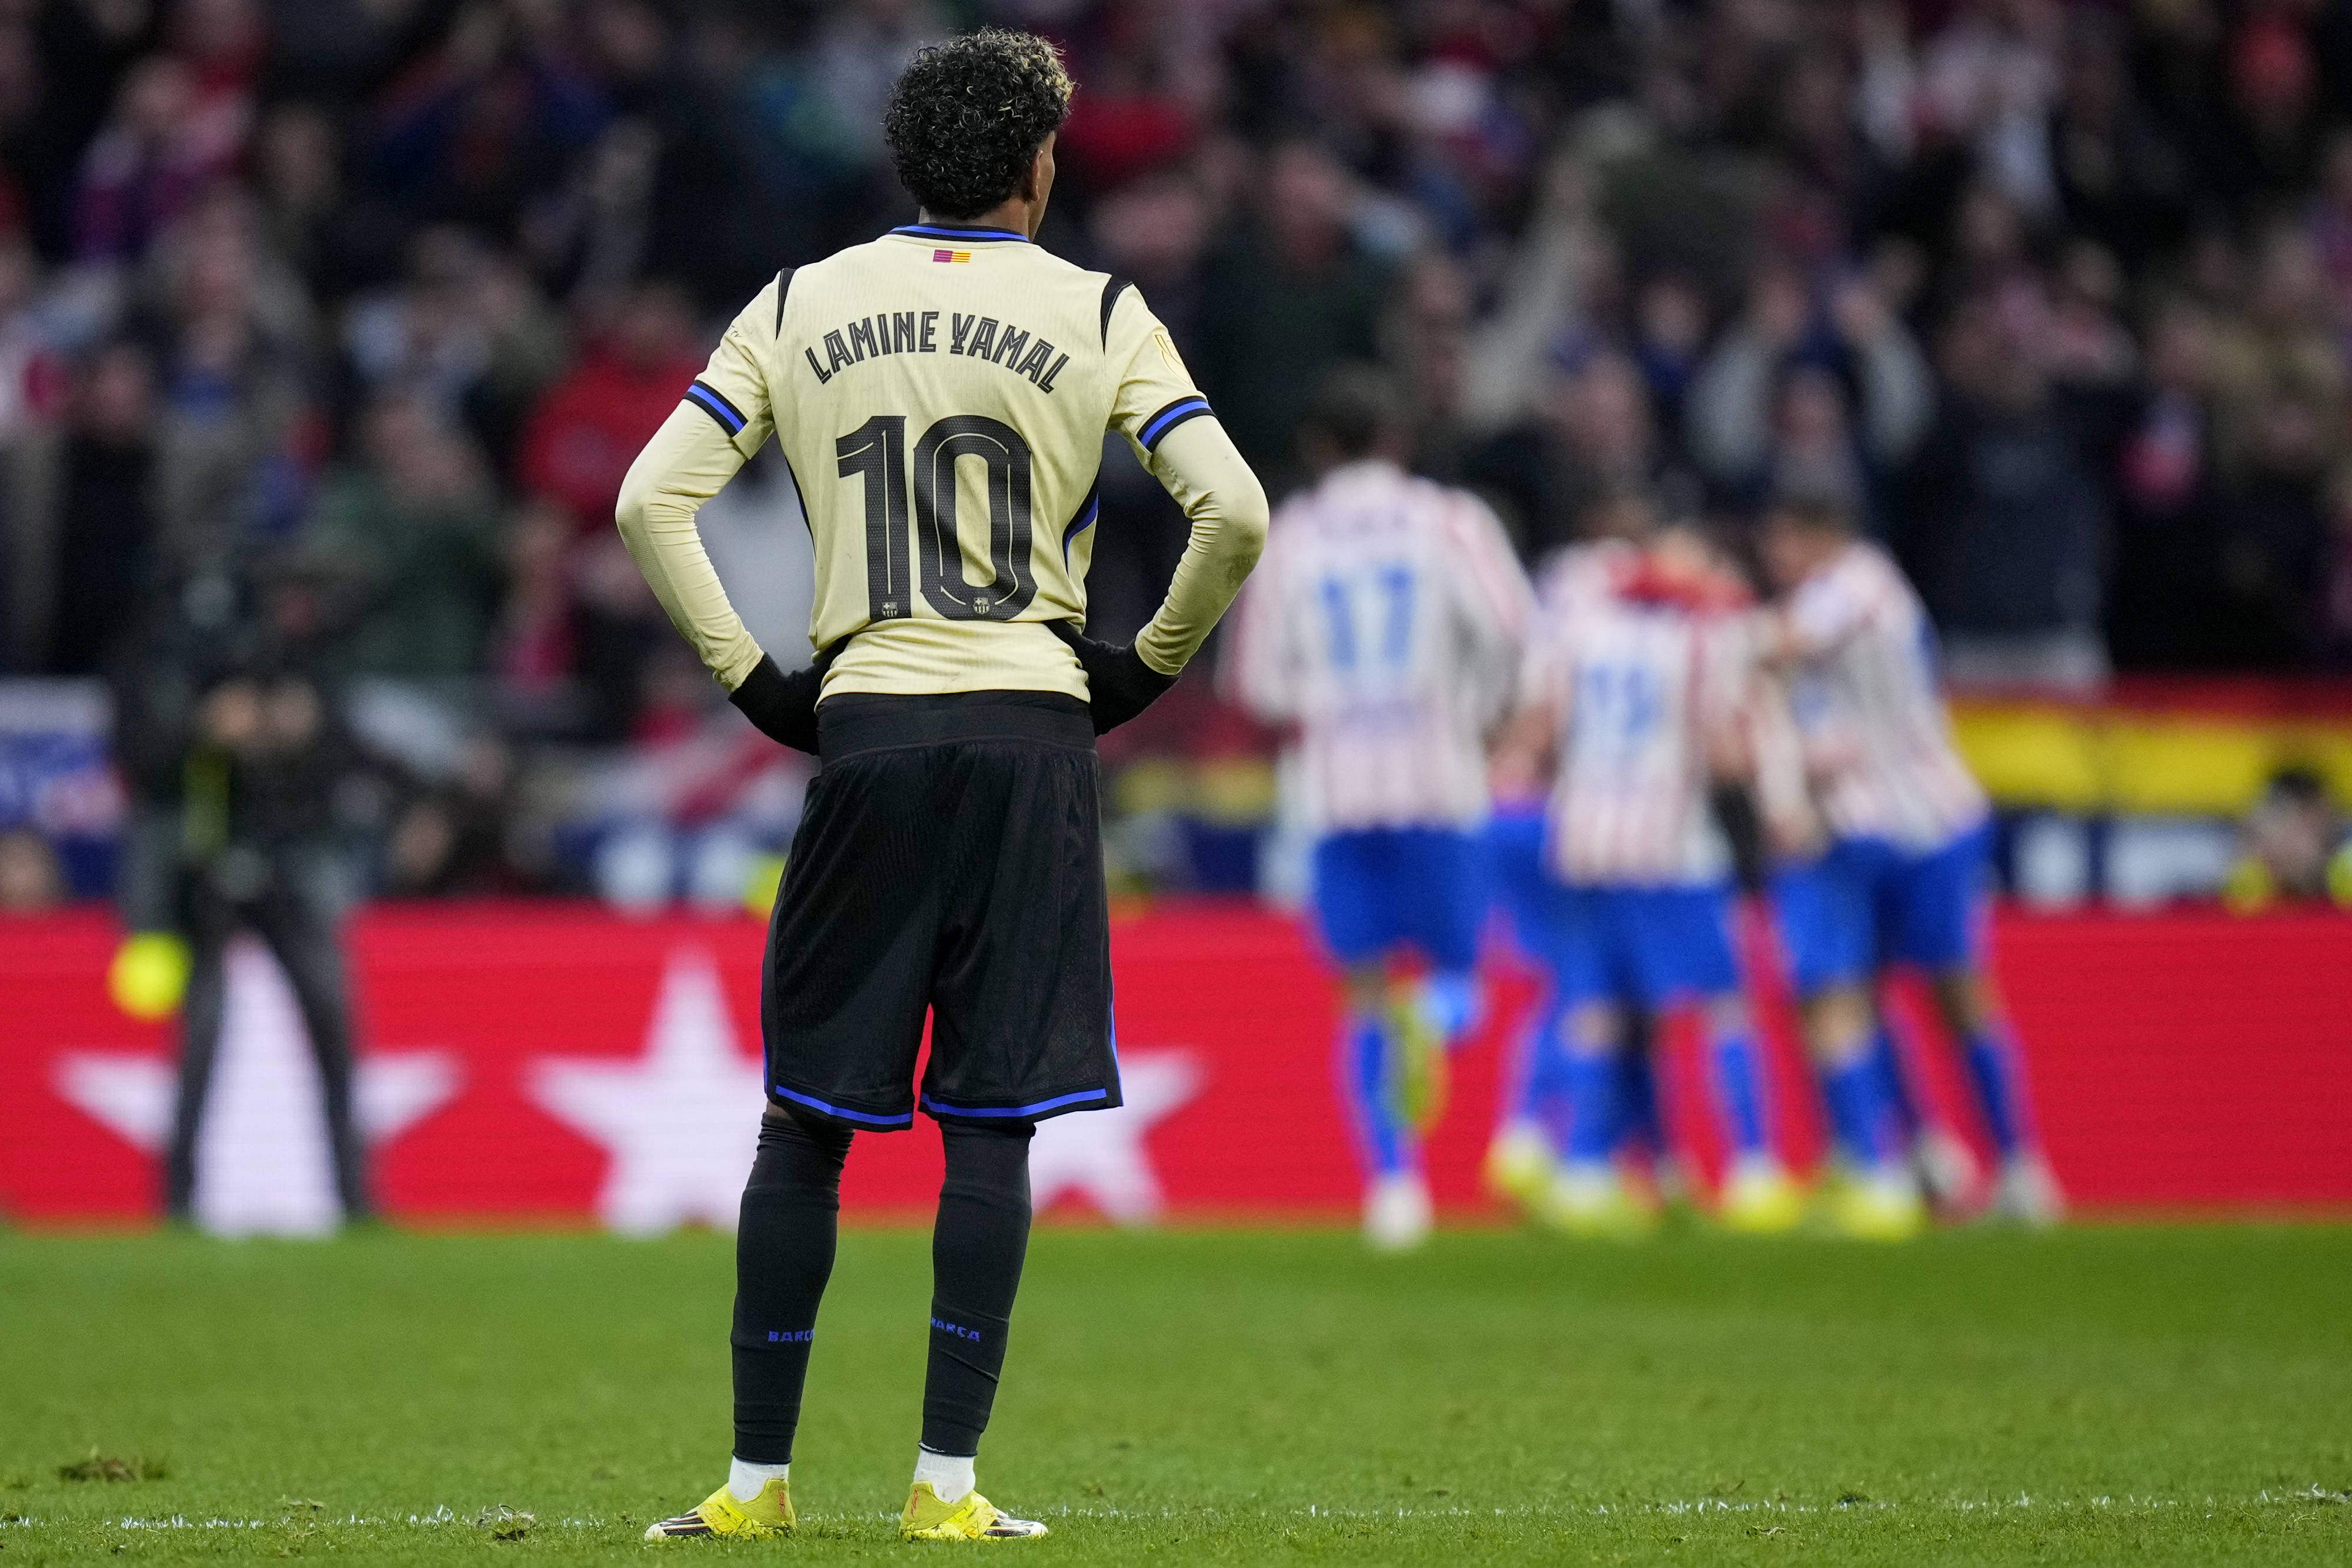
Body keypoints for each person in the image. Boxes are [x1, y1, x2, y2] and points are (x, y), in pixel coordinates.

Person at [618, 29, 1267, 1544]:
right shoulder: (1098, 308)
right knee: (993, 1124)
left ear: (909, 164)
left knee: (805, 1122)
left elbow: (652, 501)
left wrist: (755, 682)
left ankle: (753, 1489)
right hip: (1032, 730)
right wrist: (1144, 668)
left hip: (868, 731)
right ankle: (946, 1487)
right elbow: (1231, 513)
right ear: (1038, 165)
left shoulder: (800, 301)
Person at [1224, 367, 1532, 1252]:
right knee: (1463, 975)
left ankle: (1395, 1185)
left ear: (1317, 448)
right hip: (1441, 780)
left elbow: (1257, 681)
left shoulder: (1292, 537)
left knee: (1359, 992)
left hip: (1337, 793)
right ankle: (1437, 1025)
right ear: (1397, 439)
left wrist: (1328, 702)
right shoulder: (1451, 521)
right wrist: (1480, 704)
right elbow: (1514, 628)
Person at [1758, 492, 2066, 1235]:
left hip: (1921, 818)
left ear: (1823, 534)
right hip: (1860, 824)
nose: (1774, 557)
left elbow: (1780, 644)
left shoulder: (1858, 583)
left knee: (1947, 991)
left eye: (1783, 540)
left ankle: (2009, 1166)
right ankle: (1918, 1156)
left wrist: (1695, 614)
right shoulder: (1833, 597)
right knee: (1852, 992)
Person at [1495, 516, 1806, 1237]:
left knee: (1594, 1007)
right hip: (1673, 849)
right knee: (1724, 1005)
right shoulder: (1704, 635)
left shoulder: (1584, 628)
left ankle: (1581, 1171)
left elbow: (1538, 727)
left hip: (1584, 840)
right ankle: (1753, 1169)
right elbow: (1725, 750)